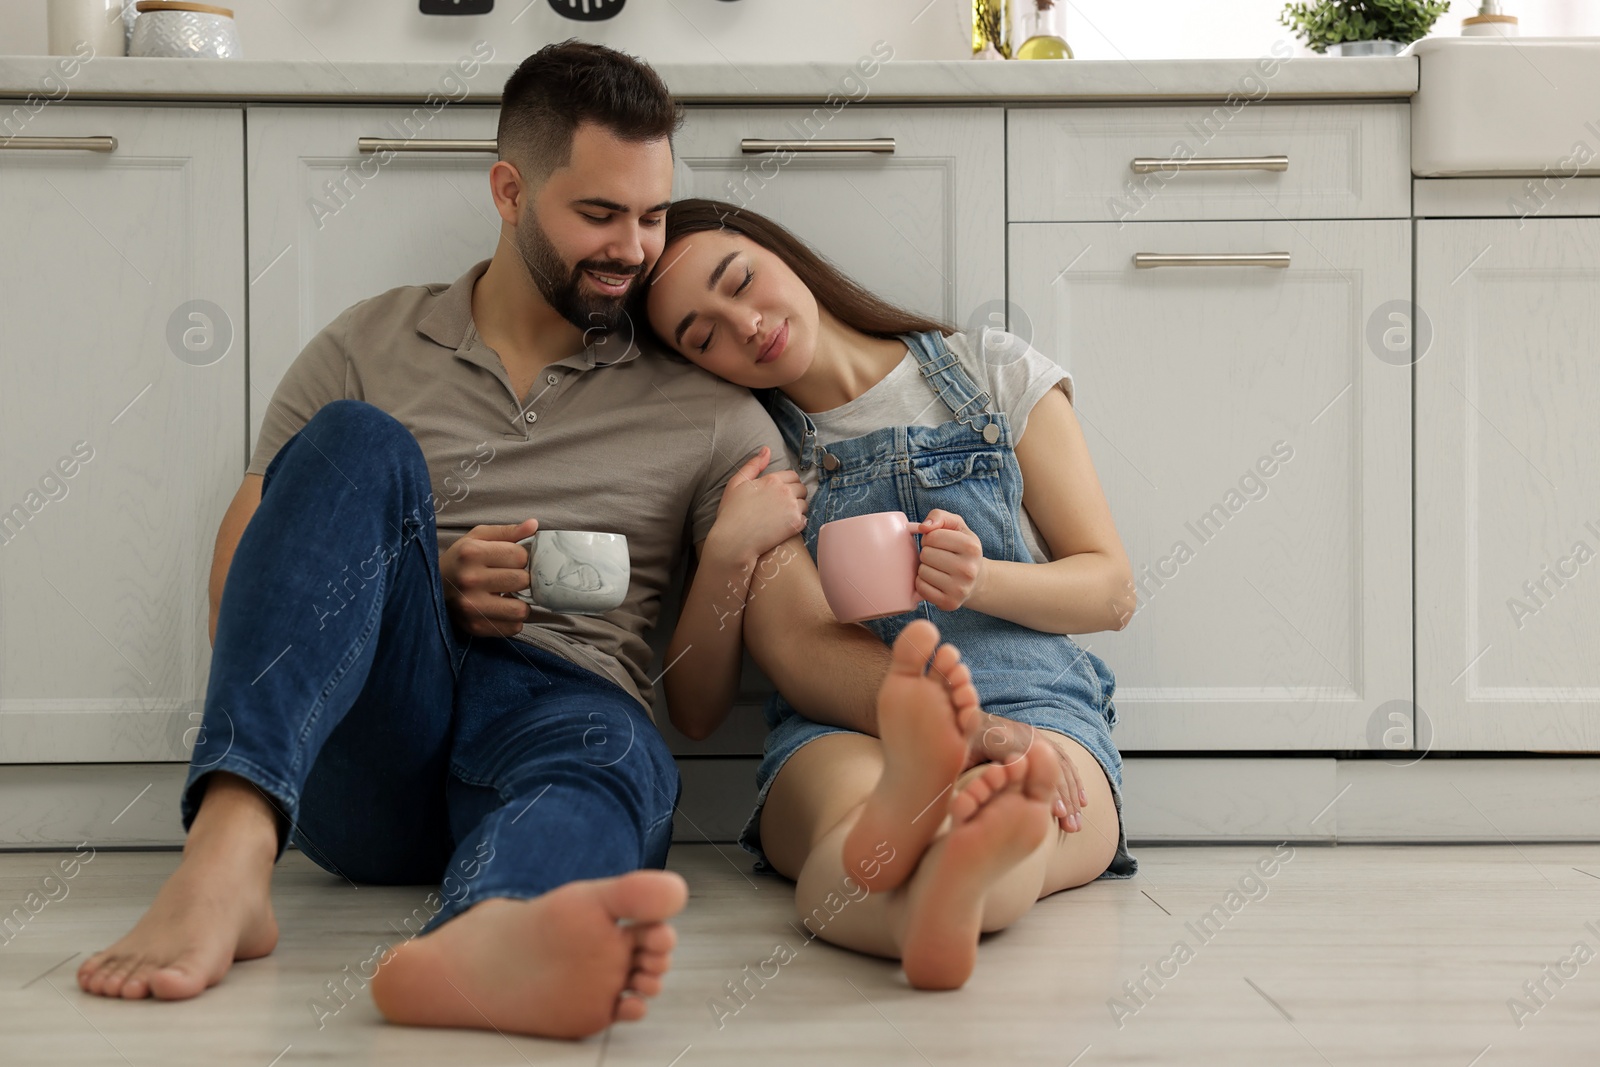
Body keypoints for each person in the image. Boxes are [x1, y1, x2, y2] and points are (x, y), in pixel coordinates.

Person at [72, 44, 898, 1040]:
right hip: (374, 735)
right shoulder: (365, 344)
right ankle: (226, 863)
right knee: (356, 442)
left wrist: (934, 705)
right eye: (598, 214)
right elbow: (245, 598)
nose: (633, 249)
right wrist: (409, 584)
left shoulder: (712, 405)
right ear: (509, 191)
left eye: (650, 215)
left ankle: (492, 931)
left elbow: (792, 638)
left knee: (610, 756)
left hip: (567, 709)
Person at [645, 199, 1140, 990]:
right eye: (702, 338)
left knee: (1019, 816)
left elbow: (1111, 589)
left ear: (779, 249)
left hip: (1036, 707)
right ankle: (942, 873)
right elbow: (750, 682)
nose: (743, 324)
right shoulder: (754, 454)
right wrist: (729, 550)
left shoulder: (989, 370)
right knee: (859, 816)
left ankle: (940, 886)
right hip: (848, 725)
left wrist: (983, 580)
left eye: (740, 280)